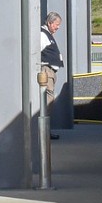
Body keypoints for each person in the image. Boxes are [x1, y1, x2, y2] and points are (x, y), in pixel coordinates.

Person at [38, 11, 63, 139]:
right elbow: (36, 52)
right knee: (47, 101)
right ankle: (43, 132)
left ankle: (45, 131)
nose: (58, 27)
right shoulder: (43, 35)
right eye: (56, 24)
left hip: (50, 72)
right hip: (46, 72)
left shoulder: (47, 34)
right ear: (49, 23)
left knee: (49, 100)